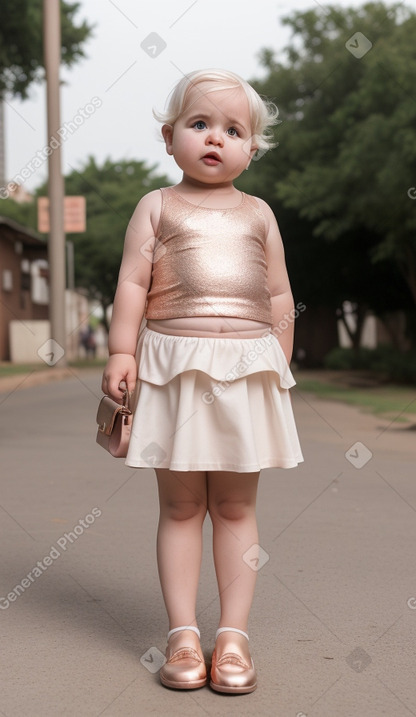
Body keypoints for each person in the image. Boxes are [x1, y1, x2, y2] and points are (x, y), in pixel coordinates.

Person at [101, 68, 303, 694]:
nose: (216, 138)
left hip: (246, 369)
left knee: (237, 506)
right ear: (169, 138)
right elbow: (134, 282)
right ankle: (184, 633)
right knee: (182, 506)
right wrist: (119, 351)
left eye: (233, 130)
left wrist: (281, 364)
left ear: (251, 149)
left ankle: (233, 636)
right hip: (173, 369)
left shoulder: (259, 213)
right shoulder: (156, 206)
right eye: (200, 124)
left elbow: (277, 293)